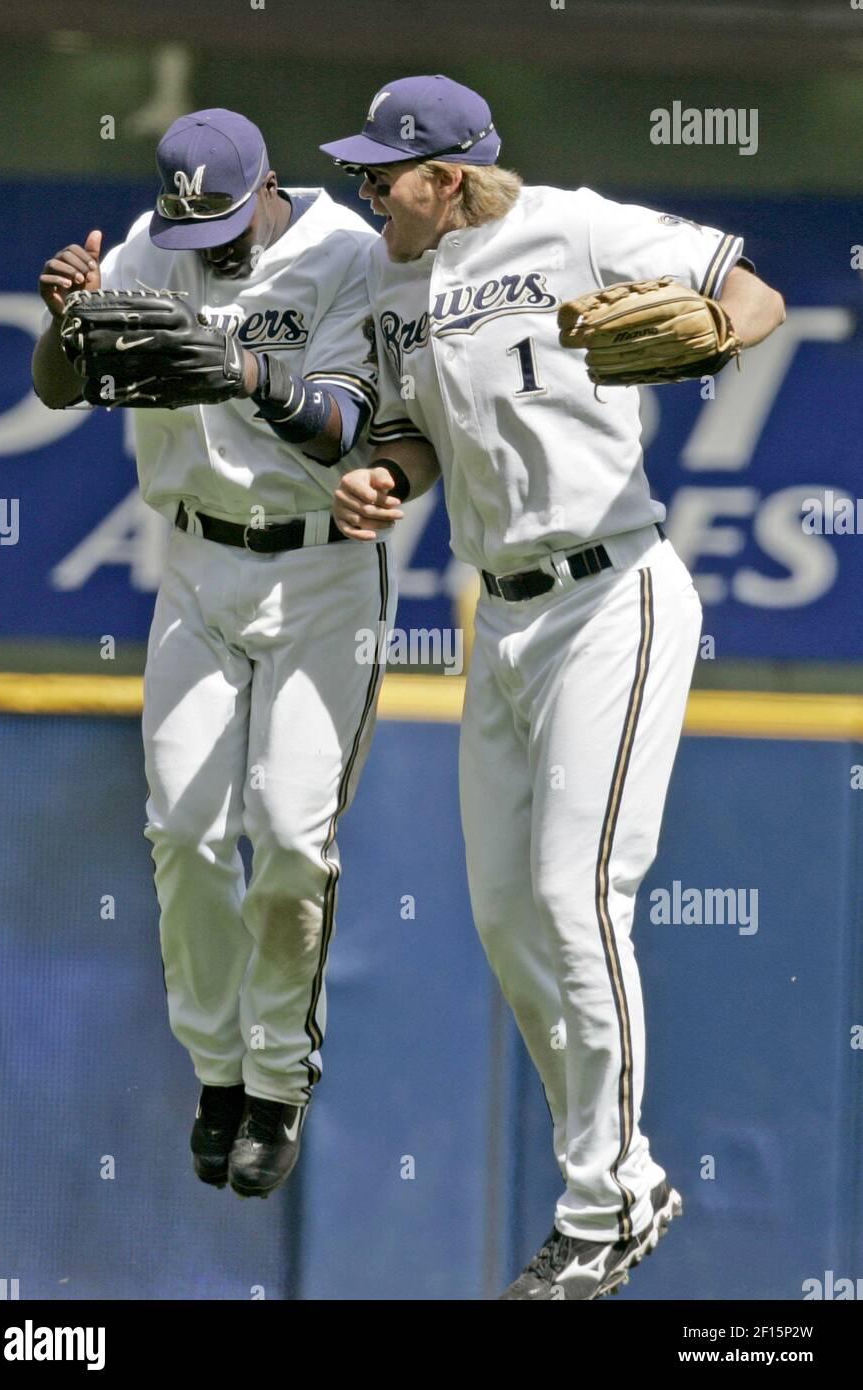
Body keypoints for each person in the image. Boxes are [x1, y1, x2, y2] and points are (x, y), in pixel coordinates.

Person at [321, 74, 785, 1299]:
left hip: (611, 591)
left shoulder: (570, 226)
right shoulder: (389, 281)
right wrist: (386, 480)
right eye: (364, 170)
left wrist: (717, 332)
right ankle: (618, 1182)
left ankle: (604, 1198)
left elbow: (754, 290)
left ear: (453, 176)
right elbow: (412, 431)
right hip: (502, 615)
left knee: (577, 893)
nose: (369, 190)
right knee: (508, 921)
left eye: (386, 172)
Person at [33, 108, 393, 1200]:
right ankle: (219, 1073)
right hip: (192, 563)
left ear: (269, 185)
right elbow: (59, 388)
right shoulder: (151, 248)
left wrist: (244, 370)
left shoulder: (344, 252)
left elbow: (348, 426)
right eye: (194, 233)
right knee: (183, 828)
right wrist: (67, 322)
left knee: (287, 834)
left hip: (320, 569)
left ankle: (280, 1076)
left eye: (229, 227)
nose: (212, 253)